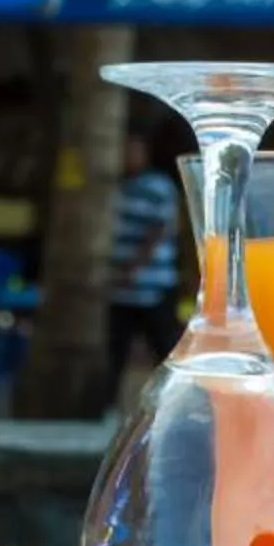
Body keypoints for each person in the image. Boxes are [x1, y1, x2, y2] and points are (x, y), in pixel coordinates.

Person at [106, 130, 187, 374]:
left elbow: (161, 228)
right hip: (120, 290)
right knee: (114, 354)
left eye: (132, 150)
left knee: (165, 349)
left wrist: (135, 267)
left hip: (153, 284)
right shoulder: (116, 186)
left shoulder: (158, 185)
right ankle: (107, 409)